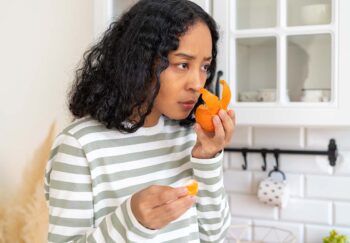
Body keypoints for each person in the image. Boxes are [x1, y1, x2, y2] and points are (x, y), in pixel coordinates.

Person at [44, 0, 235, 242]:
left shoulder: (189, 137)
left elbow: (214, 236)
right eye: (182, 64)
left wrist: (208, 160)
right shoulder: (80, 146)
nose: (198, 84)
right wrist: (131, 220)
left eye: (205, 66)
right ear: (140, 61)